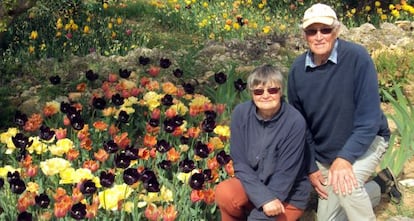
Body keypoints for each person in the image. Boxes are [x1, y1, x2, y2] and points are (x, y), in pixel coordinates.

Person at [287, 3, 401, 221]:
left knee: (348, 186)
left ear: (336, 31)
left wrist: (345, 158)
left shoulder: (357, 58)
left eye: (325, 30)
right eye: (312, 31)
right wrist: (312, 167)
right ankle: (380, 185)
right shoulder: (297, 71)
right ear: (304, 35)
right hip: (326, 154)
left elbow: (369, 120)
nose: (318, 36)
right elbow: (300, 127)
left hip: (368, 141)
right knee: (329, 219)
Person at [215, 64, 311, 221]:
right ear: (251, 93)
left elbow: (286, 174)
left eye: (272, 90)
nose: (265, 95)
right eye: (258, 91)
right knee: (225, 192)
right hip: (253, 186)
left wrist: (265, 205)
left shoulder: (294, 121)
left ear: (281, 91)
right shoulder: (241, 113)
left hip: (287, 194)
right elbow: (240, 163)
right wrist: (263, 198)